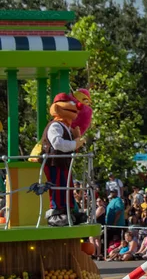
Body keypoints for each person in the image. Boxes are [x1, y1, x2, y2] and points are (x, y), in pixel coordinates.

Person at [42, 93, 86, 226]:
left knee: (67, 186)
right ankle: (56, 212)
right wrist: (75, 143)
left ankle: (68, 210)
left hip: (63, 163)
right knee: (57, 186)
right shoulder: (55, 126)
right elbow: (57, 143)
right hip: (54, 162)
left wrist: (76, 139)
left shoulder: (66, 127)